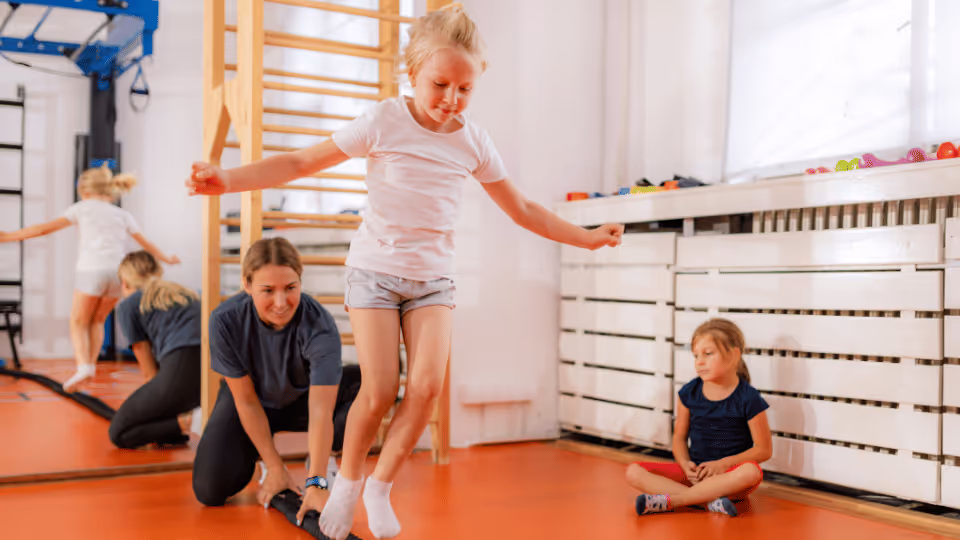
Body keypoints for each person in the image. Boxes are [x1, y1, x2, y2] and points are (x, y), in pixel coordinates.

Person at [185, 5, 623, 538]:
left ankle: (380, 485)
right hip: (373, 272)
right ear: (411, 72)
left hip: (433, 280)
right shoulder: (383, 121)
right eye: (440, 84)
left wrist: (587, 237)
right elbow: (301, 163)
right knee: (380, 387)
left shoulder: (472, 140)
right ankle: (346, 485)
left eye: (465, 90)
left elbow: (524, 210)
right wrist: (226, 178)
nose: (451, 101)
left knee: (425, 389)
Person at [192, 237, 343, 530]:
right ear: (247, 285)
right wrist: (276, 467)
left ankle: (323, 462)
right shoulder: (224, 320)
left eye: (290, 288)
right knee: (209, 490)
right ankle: (266, 462)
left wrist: (316, 481)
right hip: (252, 402)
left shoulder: (320, 324)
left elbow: (321, 410)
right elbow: (246, 400)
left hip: (300, 401)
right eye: (267, 290)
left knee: (363, 389)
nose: (280, 302)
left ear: (300, 281)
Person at [0, 165, 179, 391]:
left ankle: (84, 367)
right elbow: (147, 243)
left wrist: (7, 237)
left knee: (78, 321)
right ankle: (90, 366)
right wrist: (167, 258)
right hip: (118, 274)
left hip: (91, 270)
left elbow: (44, 229)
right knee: (97, 321)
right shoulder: (122, 214)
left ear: (84, 190)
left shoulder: (82, 208)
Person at [627, 319, 772, 517]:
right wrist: (686, 465)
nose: (699, 362)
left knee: (751, 472)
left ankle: (676, 500)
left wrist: (723, 464)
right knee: (633, 471)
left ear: (734, 355)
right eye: (696, 356)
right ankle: (708, 502)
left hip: (728, 478)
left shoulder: (749, 397)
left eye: (708, 354)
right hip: (695, 476)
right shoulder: (689, 393)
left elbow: (764, 450)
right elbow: (679, 438)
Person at [108, 250, 201, 449]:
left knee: (119, 432)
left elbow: (149, 369)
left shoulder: (129, 304)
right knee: (157, 403)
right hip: (213, 372)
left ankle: (193, 422)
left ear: (125, 282)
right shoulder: (183, 292)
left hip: (182, 367)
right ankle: (181, 425)